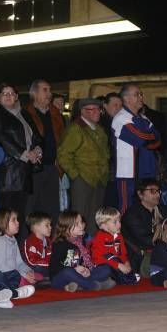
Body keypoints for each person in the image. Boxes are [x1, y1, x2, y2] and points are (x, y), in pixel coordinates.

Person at [0, 84, 41, 240]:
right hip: (8, 173)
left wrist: (37, 150)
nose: (8, 95)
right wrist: (25, 154)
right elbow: (2, 139)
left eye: (12, 93)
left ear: (17, 96)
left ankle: (17, 250)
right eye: (4, 93)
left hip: (24, 171)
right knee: (7, 216)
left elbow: (36, 135)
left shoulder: (24, 113)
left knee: (20, 215)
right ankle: (4, 250)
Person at [57, 98, 110, 235]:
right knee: (80, 216)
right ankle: (78, 246)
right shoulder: (76, 129)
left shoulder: (99, 130)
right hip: (83, 179)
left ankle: (91, 246)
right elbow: (63, 155)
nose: (98, 112)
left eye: (99, 109)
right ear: (84, 112)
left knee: (95, 217)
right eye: (94, 109)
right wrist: (76, 175)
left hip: (99, 179)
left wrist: (104, 171)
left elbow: (105, 153)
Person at [112, 83, 161, 213]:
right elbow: (141, 139)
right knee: (126, 209)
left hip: (145, 172)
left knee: (146, 208)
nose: (141, 97)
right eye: (136, 95)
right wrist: (149, 137)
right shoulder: (121, 118)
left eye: (141, 94)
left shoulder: (142, 117)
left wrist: (148, 138)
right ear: (126, 99)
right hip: (127, 173)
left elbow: (158, 138)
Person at [24, 79, 65, 224]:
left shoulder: (56, 115)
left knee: (52, 209)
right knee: (31, 208)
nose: (49, 94)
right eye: (45, 90)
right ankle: (28, 243)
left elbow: (62, 140)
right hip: (34, 168)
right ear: (34, 93)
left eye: (50, 90)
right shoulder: (25, 114)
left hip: (52, 167)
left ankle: (50, 243)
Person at [49, 210, 114, 292]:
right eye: (77, 224)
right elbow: (55, 268)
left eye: (81, 222)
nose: (81, 226)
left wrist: (85, 270)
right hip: (60, 278)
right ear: (66, 228)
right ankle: (93, 285)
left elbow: (79, 262)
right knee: (68, 272)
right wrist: (75, 269)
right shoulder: (60, 244)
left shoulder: (80, 241)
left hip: (78, 276)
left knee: (106, 269)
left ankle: (78, 284)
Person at [121, 179, 167, 274]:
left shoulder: (161, 210)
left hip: (161, 251)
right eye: (152, 191)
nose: (157, 195)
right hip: (141, 258)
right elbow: (146, 240)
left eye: (158, 191)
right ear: (140, 194)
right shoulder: (132, 214)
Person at [0, 208, 40, 286]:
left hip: (12, 275)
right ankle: (19, 288)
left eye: (17, 220)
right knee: (23, 280)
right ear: (3, 223)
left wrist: (28, 271)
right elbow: (3, 268)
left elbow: (19, 262)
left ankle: (20, 287)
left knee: (37, 276)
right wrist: (23, 275)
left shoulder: (13, 239)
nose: (18, 222)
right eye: (14, 220)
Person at [91, 207, 138, 285]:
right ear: (104, 226)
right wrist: (118, 265)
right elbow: (98, 258)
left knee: (131, 265)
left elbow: (122, 254)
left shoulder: (119, 236)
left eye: (119, 221)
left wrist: (126, 263)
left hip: (116, 264)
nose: (119, 224)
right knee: (106, 270)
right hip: (102, 265)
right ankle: (98, 280)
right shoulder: (99, 238)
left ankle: (115, 279)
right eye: (115, 222)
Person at [22, 211, 52, 277]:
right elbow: (32, 261)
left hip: (44, 265)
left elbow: (50, 255)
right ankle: (41, 278)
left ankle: (45, 279)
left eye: (50, 225)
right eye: (47, 225)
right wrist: (49, 263)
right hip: (33, 267)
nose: (50, 227)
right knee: (39, 268)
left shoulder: (48, 240)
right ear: (36, 227)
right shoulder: (30, 241)